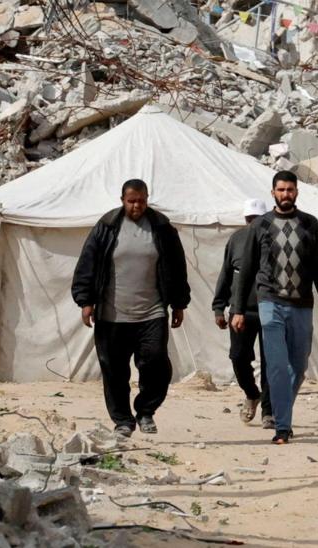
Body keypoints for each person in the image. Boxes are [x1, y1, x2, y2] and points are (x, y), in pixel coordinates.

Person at [71, 179, 190, 438]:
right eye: (132, 201)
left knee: (157, 363)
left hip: (152, 312)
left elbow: (176, 266)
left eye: (141, 201)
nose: (137, 206)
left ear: (148, 199)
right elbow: (88, 263)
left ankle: (145, 410)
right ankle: (123, 420)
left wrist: (179, 303)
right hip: (112, 315)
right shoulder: (107, 226)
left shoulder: (161, 227)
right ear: (122, 200)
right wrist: (85, 301)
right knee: (114, 370)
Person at [231, 170, 318, 445]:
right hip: (270, 302)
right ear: (273, 193)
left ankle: (280, 409)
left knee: (298, 367)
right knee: (276, 365)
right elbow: (246, 271)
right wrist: (237, 309)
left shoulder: (309, 224)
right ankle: (282, 426)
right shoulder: (261, 225)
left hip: (301, 304)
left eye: (290, 190)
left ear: (297, 192)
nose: (285, 194)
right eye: (281, 190)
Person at [213, 199, 274, 429]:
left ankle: (269, 412)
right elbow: (226, 273)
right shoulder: (236, 240)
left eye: (257, 219)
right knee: (238, 357)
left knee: (271, 362)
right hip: (241, 311)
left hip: (271, 310)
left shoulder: (277, 240)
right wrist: (219, 307)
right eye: (250, 219)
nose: (253, 223)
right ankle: (251, 393)